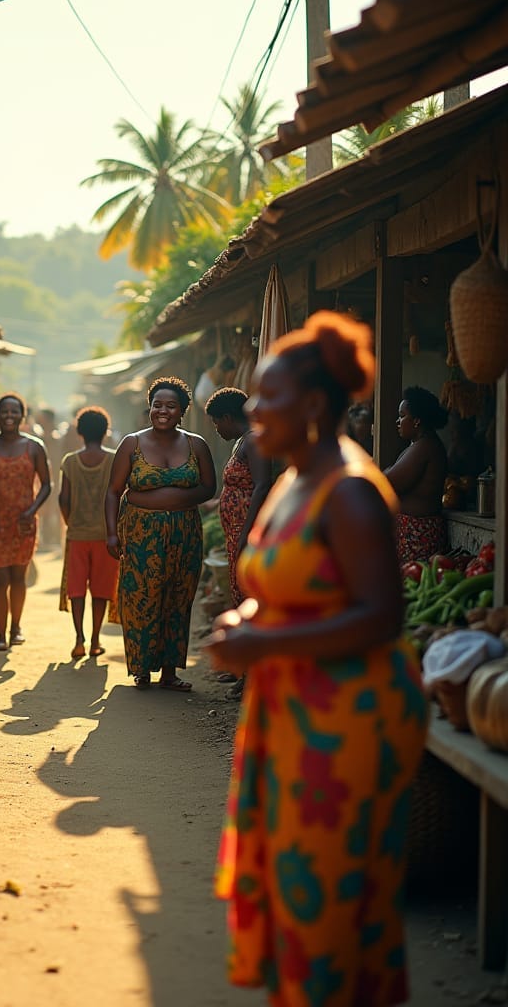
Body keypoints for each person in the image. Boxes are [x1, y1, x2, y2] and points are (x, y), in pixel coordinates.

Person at [205, 311, 428, 1006]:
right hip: (295, 710)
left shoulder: (353, 491)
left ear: (313, 405)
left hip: (346, 723)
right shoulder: (295, 478)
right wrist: (247, 617)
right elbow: (287, 587)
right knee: (295, 888)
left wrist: (262, 643)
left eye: (266, 398)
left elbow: (379, 615)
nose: (252, 410)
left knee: (328, 895)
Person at [104, 376, 216, 690]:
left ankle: (169, 672)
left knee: (178, 599)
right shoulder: (132, 443)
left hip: (185, 534)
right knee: (140, 598)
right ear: (149, 407)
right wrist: (112, 534)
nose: (162, 411)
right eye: (157, 405)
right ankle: (141, 669)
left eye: (170, 406)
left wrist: (172, 500)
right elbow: (113, 492)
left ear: (183, 411)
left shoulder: (197, 445)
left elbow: (209, 487)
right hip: (140, 534)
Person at [0, 392, 51, 652]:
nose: (9, 416)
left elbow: (47, 485)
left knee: (18, 576)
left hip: (23, 523)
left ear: (22, 415)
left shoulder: (35, 447)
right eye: (4, 412)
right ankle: (0, 635)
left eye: (14, 412)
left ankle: (15, 627)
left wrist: (31, 511)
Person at [204, 386, 274, 610]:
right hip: (236, 530)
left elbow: (262, 485)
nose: (217, 429)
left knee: (248, 588)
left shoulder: (253, 441)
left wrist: (246, 533)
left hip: (245, 528)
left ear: (227, 418)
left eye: (216, 423)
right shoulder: (242, 441)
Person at [58, 406, 118, 660]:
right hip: (106, 536)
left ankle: (78, 639)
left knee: (77, 590)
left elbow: (63, 499)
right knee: (101, 590)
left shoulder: (70, 461)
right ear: (106, 432)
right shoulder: (115, 459)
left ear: (80, 432)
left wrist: (70, 523)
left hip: (77, 535)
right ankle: (95, 640)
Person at [383, 386, 449, 566]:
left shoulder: (425, 447)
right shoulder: (418, 446)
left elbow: (387, 482)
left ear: (417, 421)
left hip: (418, 536)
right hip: (411, 534)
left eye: (402, 415)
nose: (398, 421)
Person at [36, 406, 65, 549]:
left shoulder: (58, 439)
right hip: (41, 478)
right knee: (43, 507)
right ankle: (43, 539)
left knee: (55, 507)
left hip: (56, 477)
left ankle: (55, 539)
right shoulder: (39, 439)